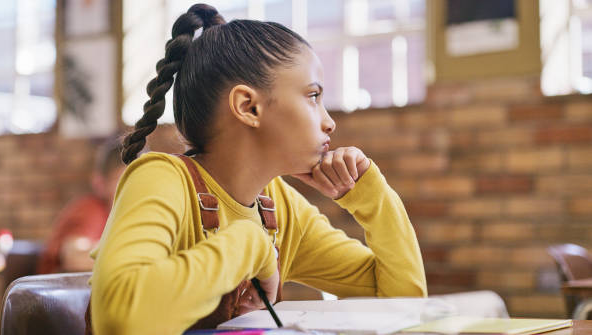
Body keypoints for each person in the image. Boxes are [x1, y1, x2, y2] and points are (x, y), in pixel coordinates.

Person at [88, 4, 426, 334]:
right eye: (313, 96)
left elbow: (400, 306)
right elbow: (121, 318)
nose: (329, 122)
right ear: (248, 107)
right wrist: (252, 243)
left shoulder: (280, 206)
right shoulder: (159, 178)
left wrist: (372, 197)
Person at [37, 137, 125, 274]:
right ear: (100, 183)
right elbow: (75, 258)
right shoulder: (91, 210)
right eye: (122, 181)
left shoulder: (121, 216)